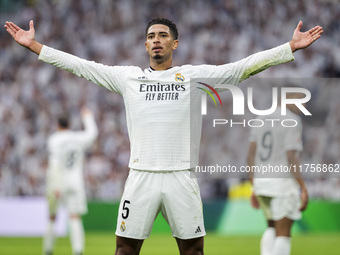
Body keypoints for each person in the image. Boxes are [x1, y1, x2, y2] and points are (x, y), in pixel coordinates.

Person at [5, 17, 322, 255]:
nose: (156, 40)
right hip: (140, 176)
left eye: (163, 36)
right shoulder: (128, 77)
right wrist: (36, 47)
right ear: (145, 45)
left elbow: (242, 68)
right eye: (151, 37)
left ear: (175, 44)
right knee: (124, 250)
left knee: (193, 251)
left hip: (181, 178)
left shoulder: (193, 76)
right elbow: (81, 66)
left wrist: (289, 48)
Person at [247, 91, 309, 255]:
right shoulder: (292, 120)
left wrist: (254, 185)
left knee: (271, 226)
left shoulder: (259, 119)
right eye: (301, 100)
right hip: (282, 183)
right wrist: (302, 186)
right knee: (284, 232)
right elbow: (291, 156)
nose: (304, 106)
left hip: (261, 182)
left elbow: (251, 155)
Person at [44, 108, 98, 255]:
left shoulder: (54, 139)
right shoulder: (77, 138)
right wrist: (88, 118)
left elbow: (54, 164)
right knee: (74, 216)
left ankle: (48, 250)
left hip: (58, 182)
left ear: (57, 124)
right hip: (75, 183)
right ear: (70, 124)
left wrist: (55, 185)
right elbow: (92, 134)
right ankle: (78, 250)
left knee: (52, 216)